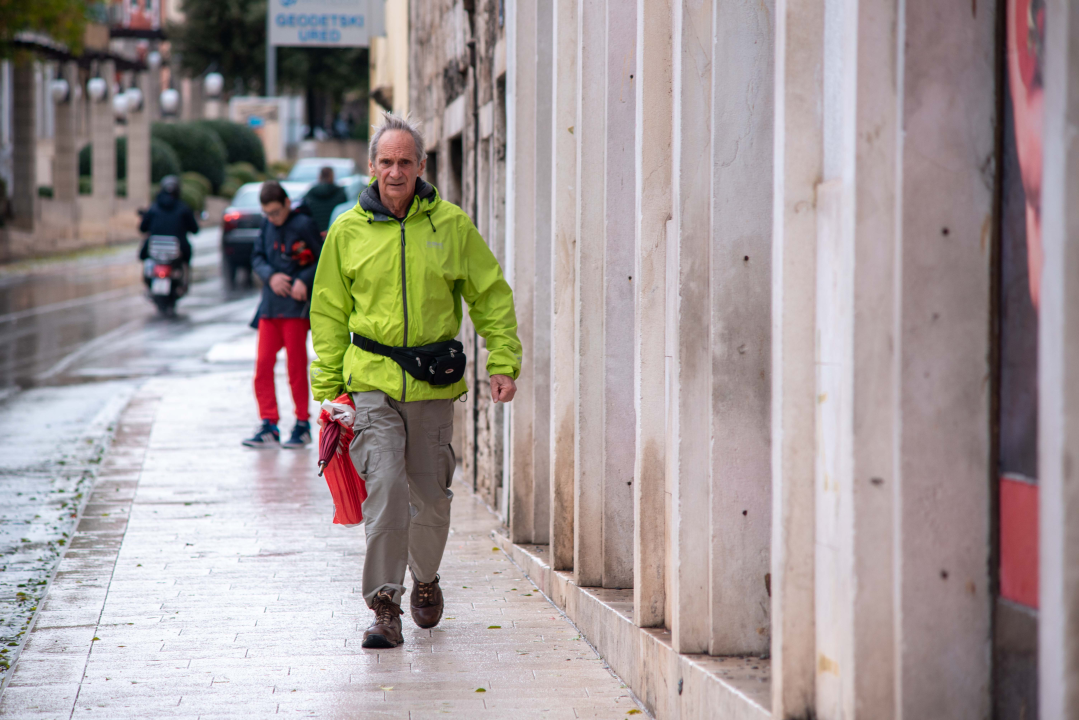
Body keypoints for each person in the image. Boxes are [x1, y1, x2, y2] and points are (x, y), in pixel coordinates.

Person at [310, 112, 521, 649]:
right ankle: (385, 604)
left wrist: (503, 359)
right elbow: (329, 312)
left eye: (405, 162)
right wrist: (328, 390)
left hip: (432, 383)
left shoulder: (450, 224)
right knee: (383, 488)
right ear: (372, 165)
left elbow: (490, 293)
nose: (395, 172)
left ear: (422, 165)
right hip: (371, 381)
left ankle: (426, 577)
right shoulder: (347, 230)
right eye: (386, 162)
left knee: (431, 494)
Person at [243, 181, 323, 450]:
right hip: (269, 308)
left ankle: (302, 425)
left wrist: (303, 279)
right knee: (262, 367)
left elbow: (322, 258)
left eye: (276, 212)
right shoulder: (267, 224)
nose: (272, 218)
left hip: (294, 310)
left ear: (287, 204)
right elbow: (256, 257)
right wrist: (270, 276)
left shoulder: (303, 225)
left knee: (296, 368)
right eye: (267, 213)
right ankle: (269, 424)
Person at [138, 175, 198, 264]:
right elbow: (195, 229)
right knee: (186, 258)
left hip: (154, 250)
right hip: (179, 251)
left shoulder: (153, 208)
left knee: (145, 255)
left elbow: (142, 228)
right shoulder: (184, 208)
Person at [303, 166, 348, 236]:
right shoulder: (341, 193)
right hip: (336, 234)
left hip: (315, 235)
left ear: (320, 176)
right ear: (332, 176)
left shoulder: (310, 194)